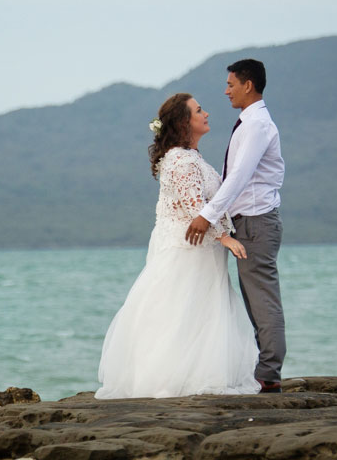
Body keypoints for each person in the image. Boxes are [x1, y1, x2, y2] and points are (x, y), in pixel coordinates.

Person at [94, 93, 261, 399]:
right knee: (180, 312)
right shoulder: (182, 160)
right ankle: (171, 380)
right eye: (199, 110)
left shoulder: (189, 156)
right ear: (186, 122)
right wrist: (224, 236)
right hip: (189, 250)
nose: (207, 113)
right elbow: (193, 207)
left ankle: (193, 376)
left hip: (197, 250)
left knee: (195, 314)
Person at [186, 58, 286, 392]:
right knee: (255, 297)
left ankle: (268, 373)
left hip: (257, 222)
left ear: (248, 85)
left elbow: (240, 176)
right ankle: (266, 370)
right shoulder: (249, 122)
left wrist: (207, 215)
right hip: (248, 221)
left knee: (262, 298)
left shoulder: (256, 124)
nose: (226, 90)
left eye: (231, 84)